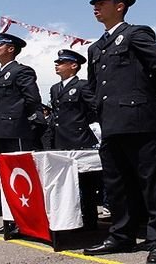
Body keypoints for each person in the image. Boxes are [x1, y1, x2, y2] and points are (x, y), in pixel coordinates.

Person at [83, 0, 156, 264]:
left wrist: (141, 97)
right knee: (117, 183)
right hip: (110, 123)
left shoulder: (135, 33)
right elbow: (94, 85)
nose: (95, 7)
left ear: (120, 6)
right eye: (94, 3)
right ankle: (121, 235)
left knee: (153, 182)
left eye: (102, 2)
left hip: (140, 119)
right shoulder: (96, 47)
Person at [0, 33, 46, 234]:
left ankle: (26, 222)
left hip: (15, 130)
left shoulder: (21, 71)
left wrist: (20, 120)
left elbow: (32, 99)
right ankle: (10, 221)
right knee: (3, 178)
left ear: (10, 48)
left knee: (20, 177)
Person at [50, 49, 99, 229]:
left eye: (61, 62)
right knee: (65, 183)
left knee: (85, 183)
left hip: (79, 139)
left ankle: (90, 220)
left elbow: (94, 108)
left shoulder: (82, 85)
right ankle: (71, 218)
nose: (57, 65)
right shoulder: (55, 88)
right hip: (61, 140)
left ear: (73, 66)